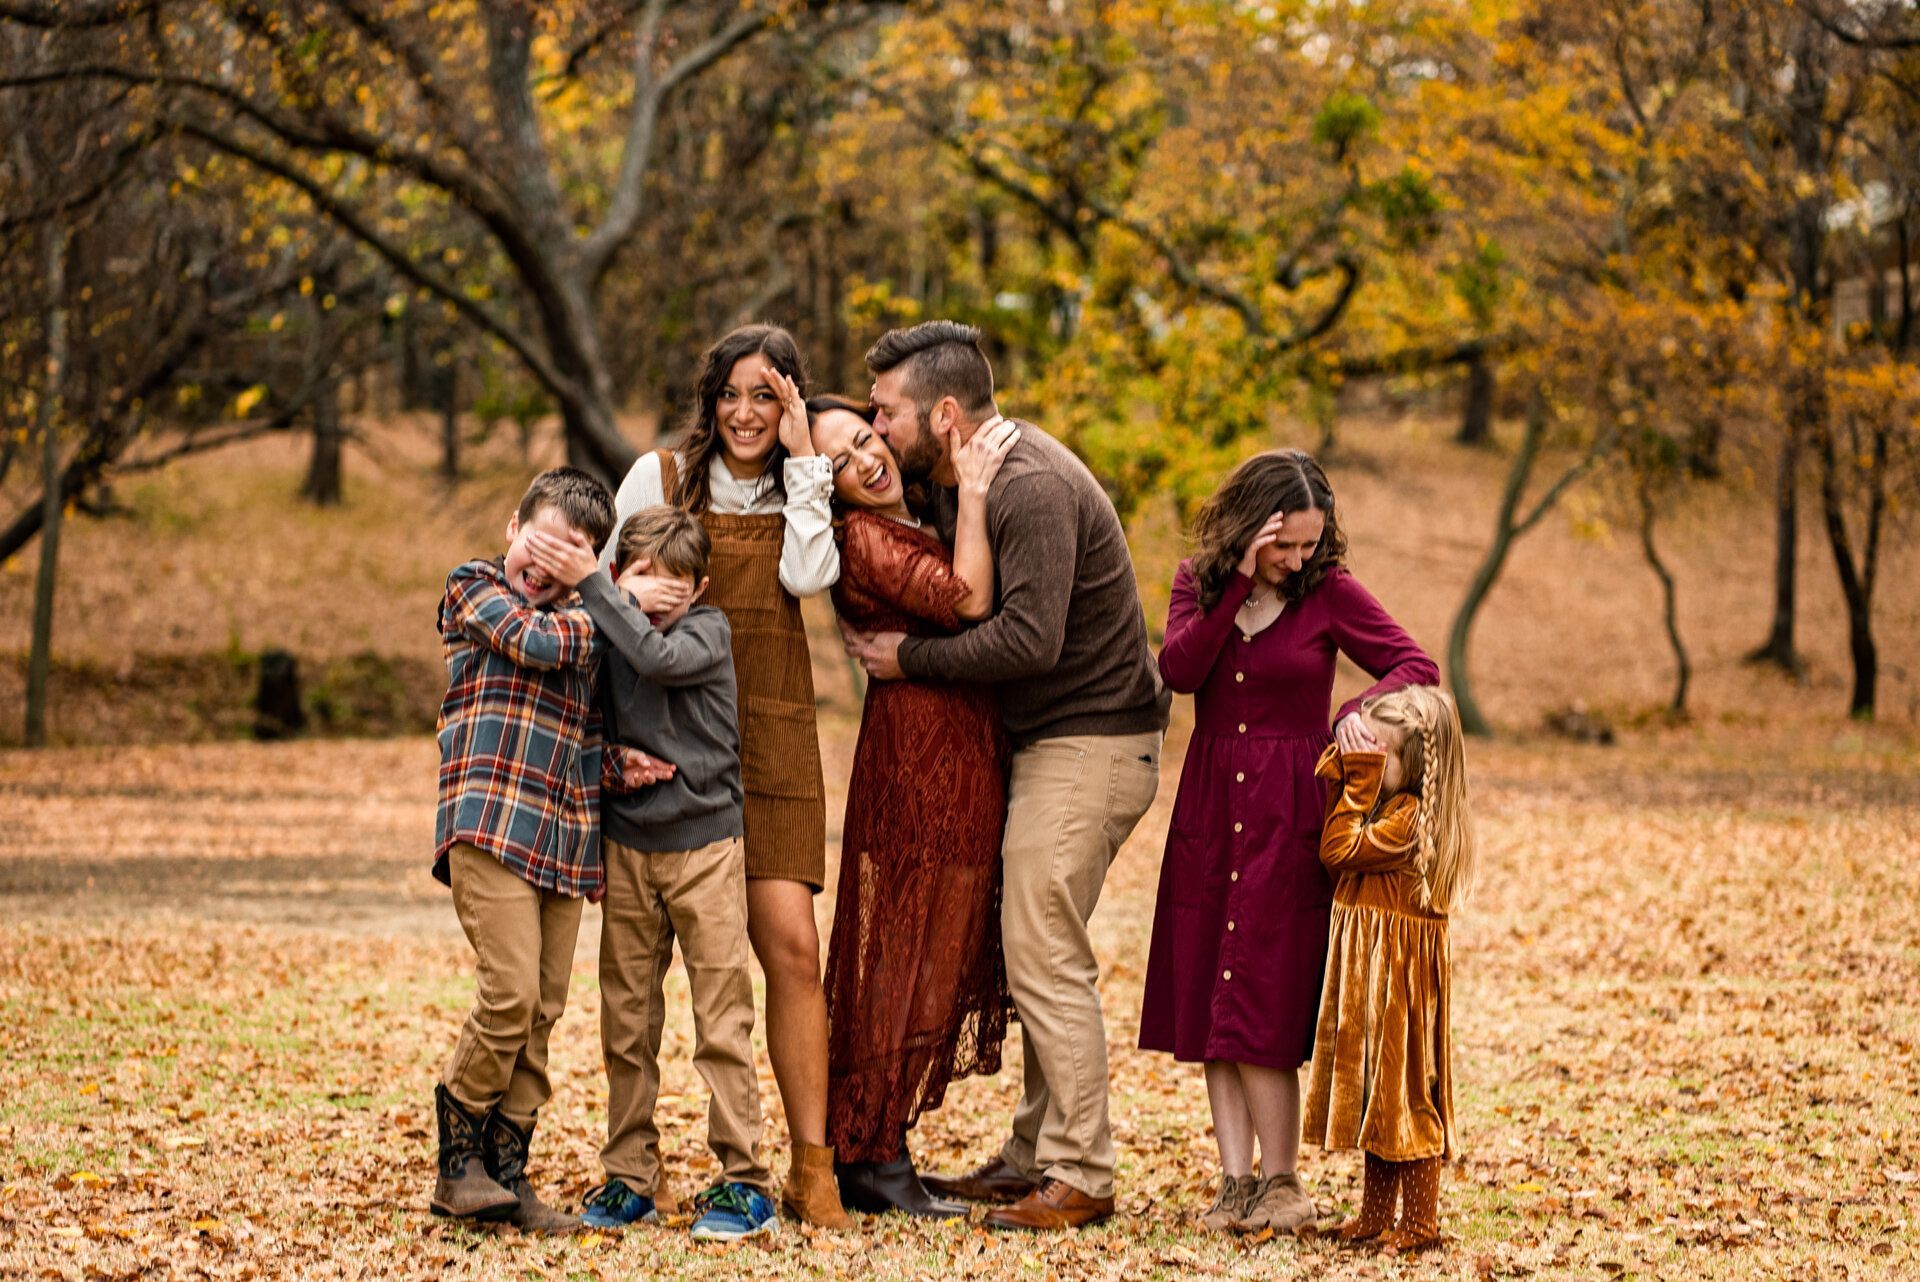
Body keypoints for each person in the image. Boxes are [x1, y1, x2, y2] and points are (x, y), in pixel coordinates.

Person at [843, 321, 1169, 1232]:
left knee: (1042, 952)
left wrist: (908, 659)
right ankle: (1034, 1153)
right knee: (1034, 947)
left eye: (887, 411)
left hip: (1091, 744)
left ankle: (1080, 1173)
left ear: (944, 415)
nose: (875, 427)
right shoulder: (957, 481)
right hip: (1052, 745)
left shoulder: (1027, 487)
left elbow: (1029, 641)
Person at [1140, 450, 1437, 1235]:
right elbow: (1178, 669)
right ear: (1250, 527)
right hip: (1211, 806)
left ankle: (1283, 1181)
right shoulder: (1196, 585)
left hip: (1290, 811)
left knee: (1266, 993)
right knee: (1213, 986)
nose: (1300, 558)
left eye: (1311, 544)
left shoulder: (1329, 593)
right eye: (1286, 544)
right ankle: (1234, 1183)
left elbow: (1415, 663)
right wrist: (1238, 577)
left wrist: (1355, 711)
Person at [601, 324, 850, 1229]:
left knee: (792, 950)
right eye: (732, 394)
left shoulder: (804, 488)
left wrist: (804, 463)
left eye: (767, 395)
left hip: (773, 738)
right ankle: (636, 1164)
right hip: (666, 751)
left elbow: (809, 575)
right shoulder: (658, 480)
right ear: (710, 400)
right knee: (651, 975)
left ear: (789, 402)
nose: (745, 413)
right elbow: (604, 606)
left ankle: (808, 1169)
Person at [527, 505, 778, 1242]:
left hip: (705, 849)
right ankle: (632, 1174)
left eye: (675, 582)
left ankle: (744, 1180)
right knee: (626, 1020)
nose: (659, 595)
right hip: (628, 850)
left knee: (721, 1015)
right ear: (616, 574)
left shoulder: (707, 632)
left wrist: (613, 599)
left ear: (700, 588)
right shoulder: (600, 631)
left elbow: (657, 658)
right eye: (643, 577)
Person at [801, 393, 1019, 1218]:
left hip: (958, 746)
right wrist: (980, 488)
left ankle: (880, 1140)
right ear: (829, 491)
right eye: (837, 464)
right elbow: (967, 599)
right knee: (905, 952)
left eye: (862, 438)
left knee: (935, 948)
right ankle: (869, 1147)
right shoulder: (863, 538)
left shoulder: (913, 516)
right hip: (917, 755)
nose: (863, 461)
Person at [428, 466, 616, 1233]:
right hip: (491, 823)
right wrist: (608, 605)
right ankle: (457, 1164)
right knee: (507, 993)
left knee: (542, 1011)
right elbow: (529, 640)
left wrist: (620, 769)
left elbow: (587, 739)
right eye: (540, 543)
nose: (547, 564)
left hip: (561, 839)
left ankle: (507, 1178)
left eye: (573, 553)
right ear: (512, 530)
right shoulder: (475, 588)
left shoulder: (589, 631)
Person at [1304, 684, 1474, 1256]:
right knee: (1381, 1094)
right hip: (1373, 979)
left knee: (1406, 1096)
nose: (1367, 760)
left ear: (1414, 766)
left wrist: (1357, 783)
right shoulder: (1392, 804)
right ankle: (1376, 1214)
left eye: (1380, 754)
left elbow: (1336, 848)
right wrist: (1352, 758)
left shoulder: (1407, 822)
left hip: (1399, 982)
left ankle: (1421, 1221)